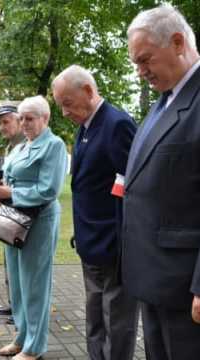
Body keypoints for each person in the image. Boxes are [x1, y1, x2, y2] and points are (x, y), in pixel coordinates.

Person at [123, 4, 200, 359]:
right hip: (153, 279)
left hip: (185, 288)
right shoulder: (163, 103)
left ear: (178, 42)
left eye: (145, 60)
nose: (141, 72)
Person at [52, 65, 138, 360]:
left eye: (67, 103)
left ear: (88, 91)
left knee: (117, 322)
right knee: (94, 319)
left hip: (113, 247)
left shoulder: (117, 124)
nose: (64, 112)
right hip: (90, 244)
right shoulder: (84, 127)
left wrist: (121, 239)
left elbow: (133, 188)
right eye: (60, 105)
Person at [0, 95, 67, 360]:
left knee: (35, 284)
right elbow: (6, 180)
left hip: (39, 222)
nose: (23, 123)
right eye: (21, 118)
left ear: (45, 119)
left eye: (29, 118)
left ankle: (34, 347)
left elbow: (49, 189)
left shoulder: (54, 146)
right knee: (18, 284)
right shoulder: (20, 147)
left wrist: (10, 192)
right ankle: (23, 337)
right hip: (14, 220)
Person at [0, 101, 24, 324]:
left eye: (6, 121)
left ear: (20, 120)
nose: (2, 127)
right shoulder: (10, 146)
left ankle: (21, 309)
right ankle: (15, 304)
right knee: (10, 262)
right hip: (8, 212)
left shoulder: (27, 144)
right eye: (0, 123)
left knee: (21, 265)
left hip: (22, 214)